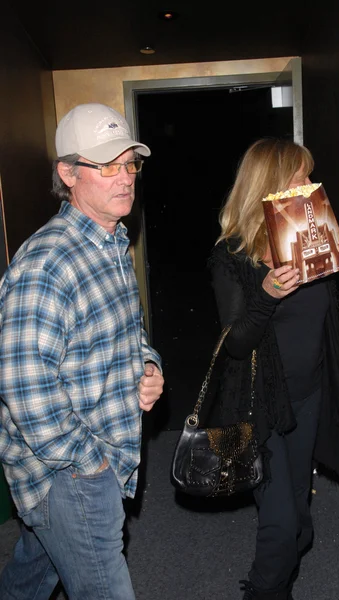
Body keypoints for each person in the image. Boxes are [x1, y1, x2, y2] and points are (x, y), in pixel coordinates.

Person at [0, 103, 164, 600]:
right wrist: (89, 466)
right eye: (106, 165)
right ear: (67, 172)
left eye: (129, 163)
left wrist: (149, 363)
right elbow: (25, 390)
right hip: (68, 471)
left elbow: (126, 333)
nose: (124, 178)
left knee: (34, 573)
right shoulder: (47, 264)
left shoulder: (111, 244)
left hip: (96, 454)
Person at [208, 138, 339, 600]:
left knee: (299, 527)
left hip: (308, 399)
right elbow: (235, 343)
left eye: (310, 175)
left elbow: (335, 327)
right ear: (267, 185)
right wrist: (266, 294)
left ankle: (277, 585)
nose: (310, 185)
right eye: (299, 177)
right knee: (282, 527)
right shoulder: (232, 256)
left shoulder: (312, 238)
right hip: (258, 405)